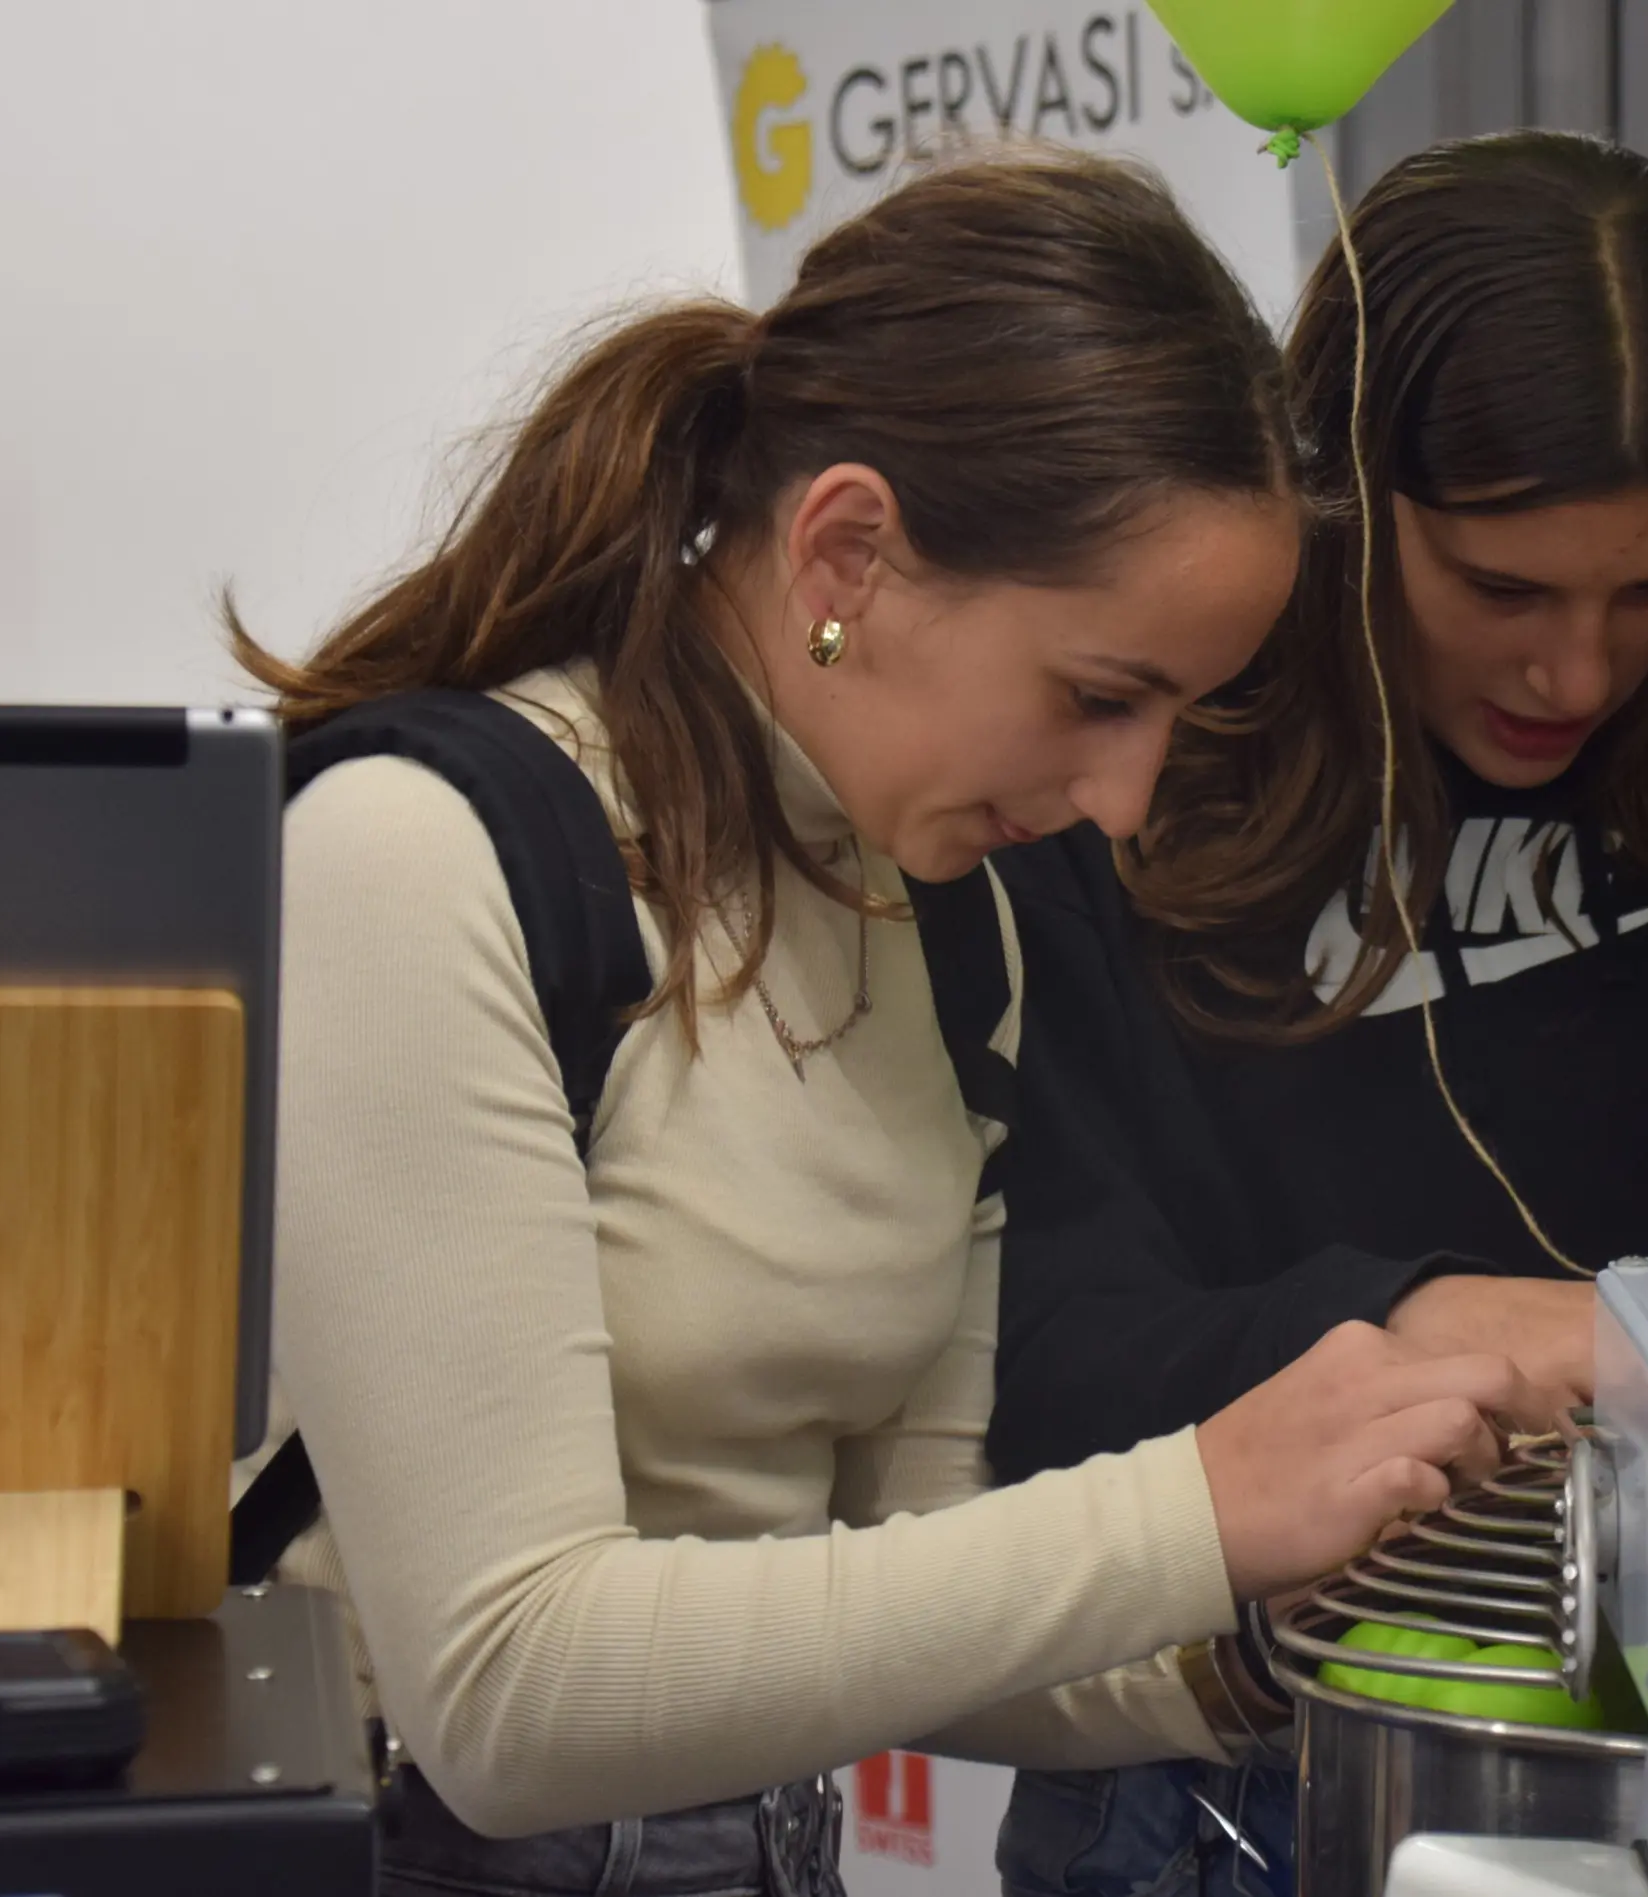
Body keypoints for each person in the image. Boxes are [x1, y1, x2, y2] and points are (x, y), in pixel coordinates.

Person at [235, 150, 1542, 1897]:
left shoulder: (948, 925)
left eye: (1175, 716)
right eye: (1099, 696)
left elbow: (906, 1580)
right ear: (848, 545)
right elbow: (506, 1688)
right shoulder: (423, 860)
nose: (1128, 800)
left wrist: (1240, 1638)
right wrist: (1196, 1508)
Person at [981, 131, 1648, 1897]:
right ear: (1336, 496)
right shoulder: (1100, 810)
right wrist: (1458, 1332)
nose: (1575, 670)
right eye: (1502, 589)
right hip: (1230, 1773)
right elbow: (1020, 1363)